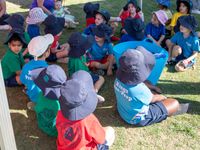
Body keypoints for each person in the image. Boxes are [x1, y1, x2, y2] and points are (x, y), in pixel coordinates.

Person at [114, 47, 189, 127]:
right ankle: (165, 111)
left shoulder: (117, 80)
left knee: (147, 83)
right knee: (174, 103)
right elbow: (154, 98)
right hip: (138, 119)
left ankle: (155, 96)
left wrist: (153, 88)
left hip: (123, 110)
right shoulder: (140, 90)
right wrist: (163, 97)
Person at [56, 70, 115, 150]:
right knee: (110, 130)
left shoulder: (59, 113)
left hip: (63, 147)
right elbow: (101, 139)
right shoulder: (89, 120)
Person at [30, 64, 67, 136]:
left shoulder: (42, 96)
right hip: (61, 128)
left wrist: (35, 107)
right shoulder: (65, 98)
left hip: (50, 128)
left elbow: (38, 109)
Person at [20, 34, 54, 103]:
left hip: (32, 96)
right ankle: (37, 105)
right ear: (47, 53)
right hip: (44, 99)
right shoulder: (48, 70)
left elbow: (23, 81)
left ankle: (34, 102)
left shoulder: (26, 66)